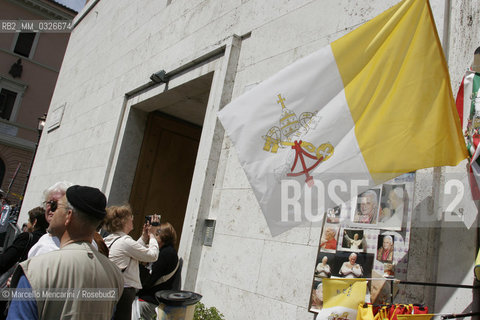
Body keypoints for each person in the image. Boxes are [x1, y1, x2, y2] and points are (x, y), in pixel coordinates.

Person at [6, 185, 124, 319]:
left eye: (57, 206)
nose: (51, 211)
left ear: (68, 216)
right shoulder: (115, 275)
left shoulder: (36, 269)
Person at [104, 205, 159, 320]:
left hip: (111, 287)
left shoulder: (110, 239)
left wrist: (144, 237)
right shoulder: (125, 241)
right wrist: (153, 235)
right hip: (124, 290)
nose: (133, 219)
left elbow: (132, 251)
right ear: (123, 221)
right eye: (130, 217)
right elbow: (152, 255)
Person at [136, 222, 179, 320]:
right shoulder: (166, 252)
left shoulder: (166, 254)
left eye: (155, 235)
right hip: (150, 299)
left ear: (163, 237)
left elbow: (149, 280)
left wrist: (143, 265)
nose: (152, 238)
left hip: (149, 301)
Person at [28, 181, 72, 257]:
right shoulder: (46, 238)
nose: (52, 208)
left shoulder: (72, 241)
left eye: (57, 204)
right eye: (50, 203)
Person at [0, 207, 47, 274]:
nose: (27, 224)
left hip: (19, 276)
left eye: (29, 221)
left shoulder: (26, 237)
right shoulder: (46, 240)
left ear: (34, 222)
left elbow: (6, 260)